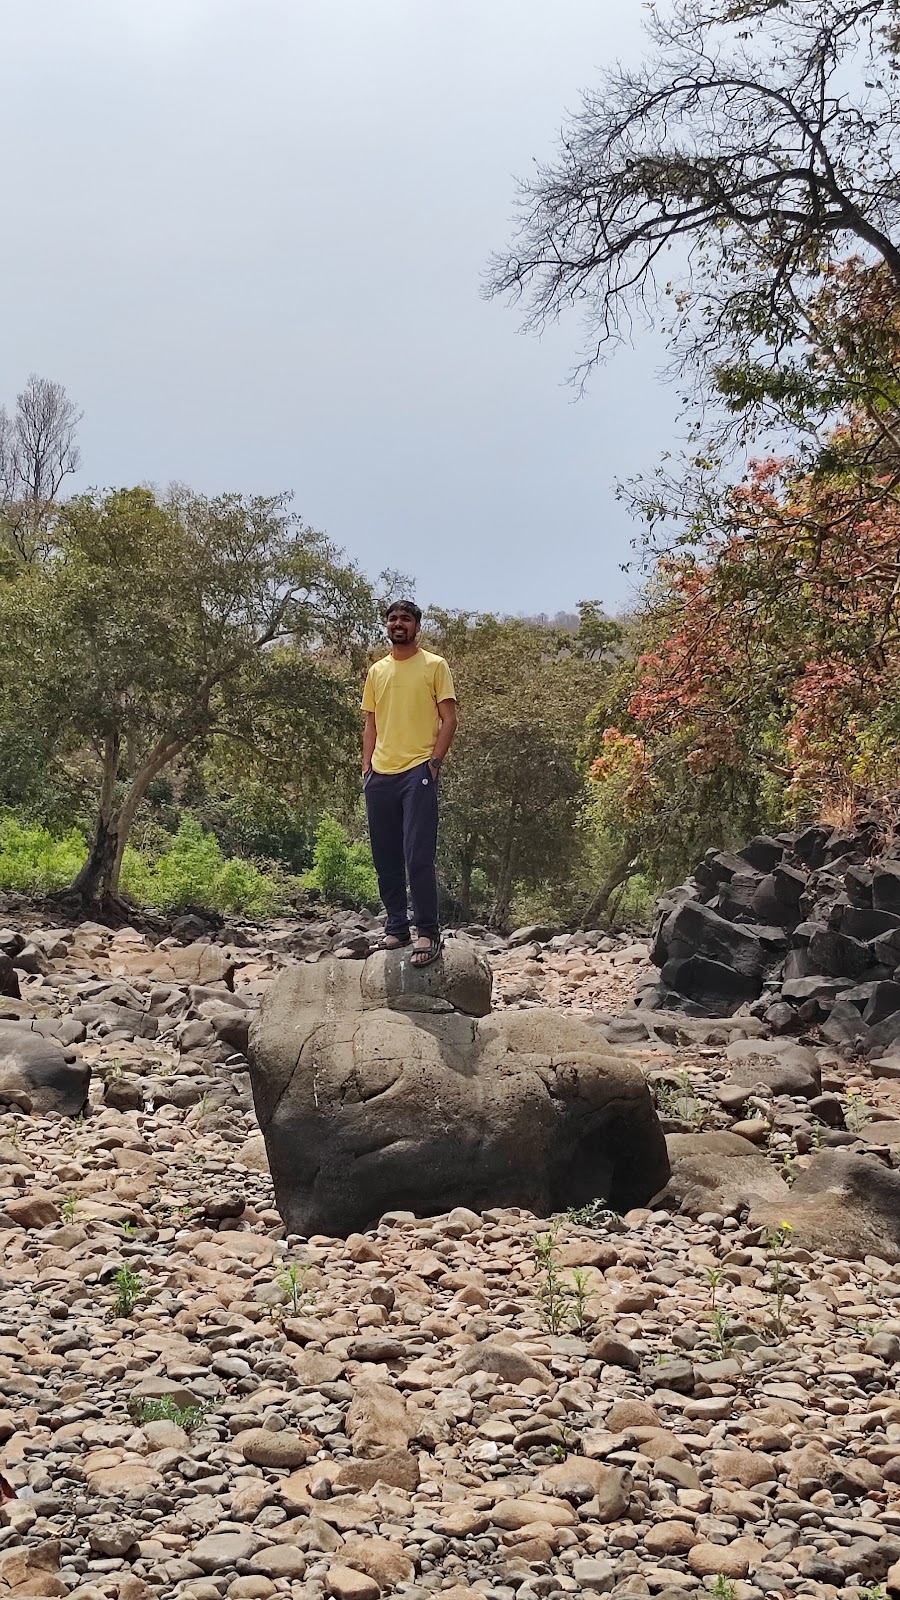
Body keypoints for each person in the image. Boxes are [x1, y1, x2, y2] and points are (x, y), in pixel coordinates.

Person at [361, 599, 458, 966]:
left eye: (405, 619)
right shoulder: (377, 672)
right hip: (381, 775)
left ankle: (428, 932)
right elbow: (371, 723)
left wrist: (433, 764)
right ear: (386, 626)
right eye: (392, 619)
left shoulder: (434, 666)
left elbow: (448, 719)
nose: (398, 624)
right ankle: (397, 926)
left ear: (417, 625)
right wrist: (366, 769)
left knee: (417, 855)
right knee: (385, 857)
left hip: (417, 772)